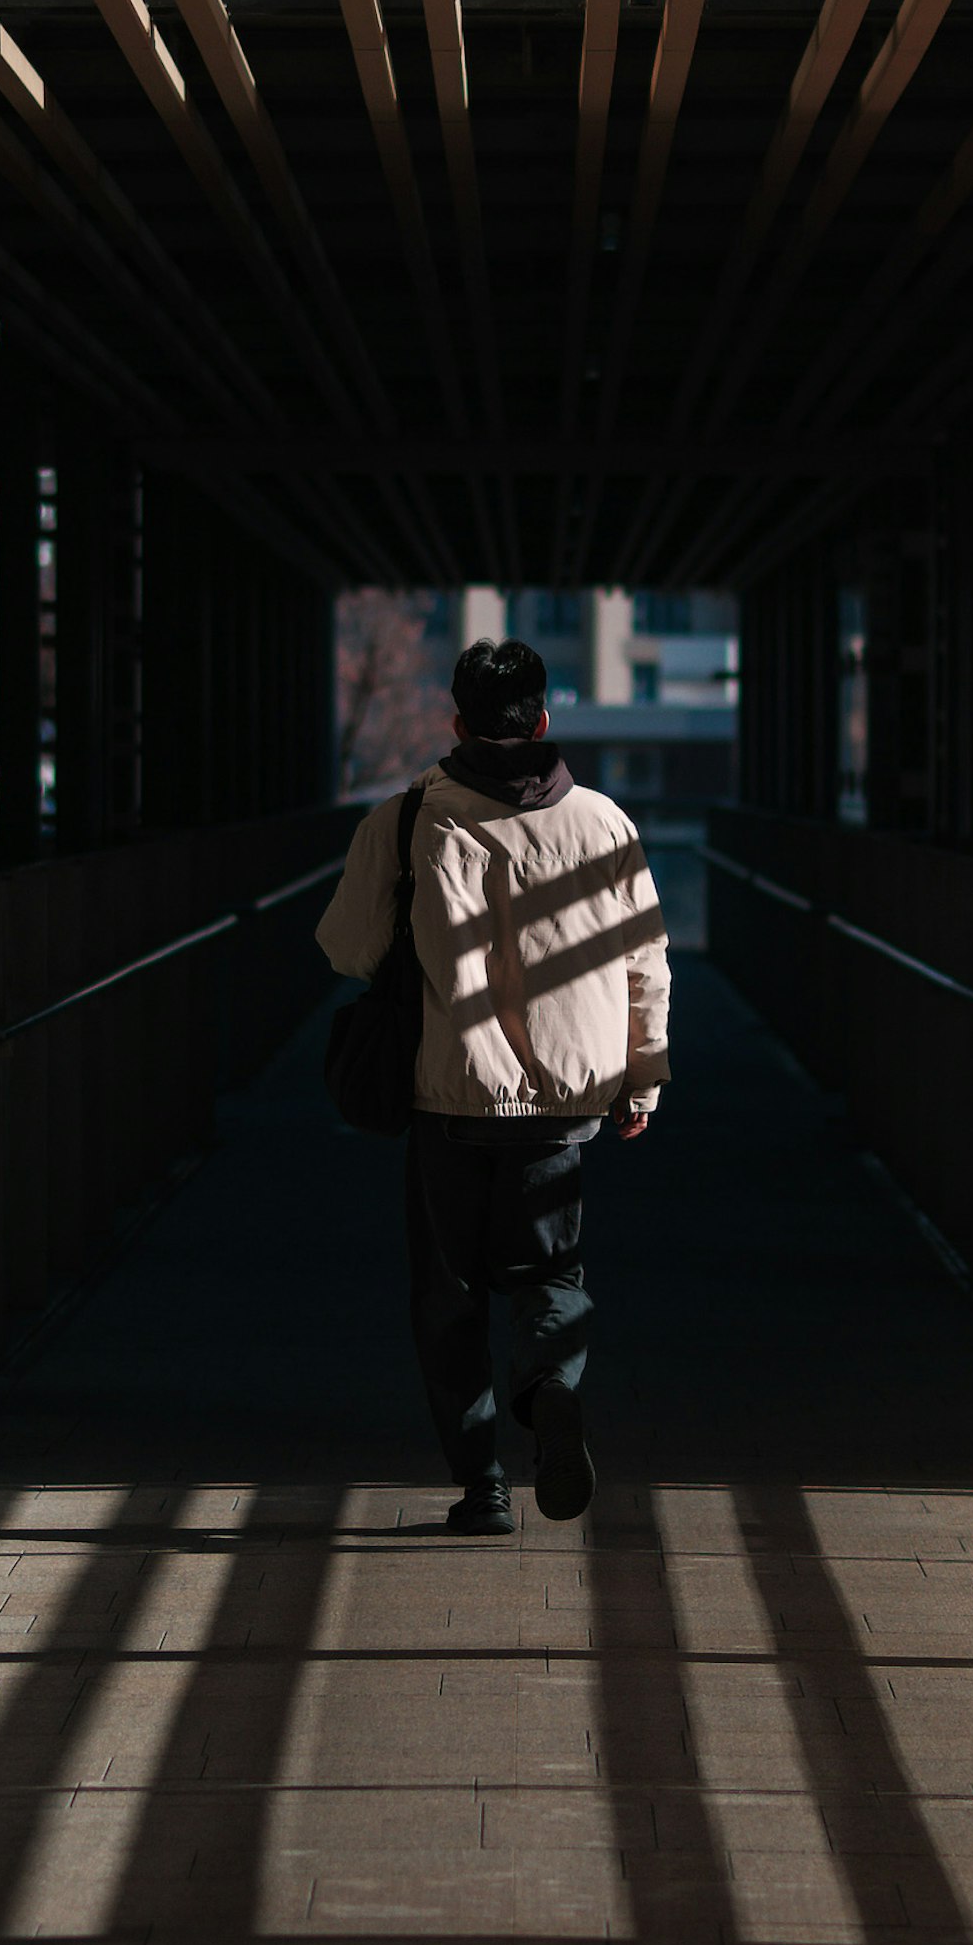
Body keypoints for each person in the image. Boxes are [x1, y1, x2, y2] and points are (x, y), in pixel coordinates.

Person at [318, 633, 669, 1533]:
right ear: (544, 720)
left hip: (449, 1098)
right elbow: (646, 963)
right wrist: (644, 1077)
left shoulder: (406, 820)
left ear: (456, 719)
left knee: (448, 1295)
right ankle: (550, 1384)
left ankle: (484, 1488)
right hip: (564, 1109)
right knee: (553, 1269)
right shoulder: (604, 822)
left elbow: (347, 949)